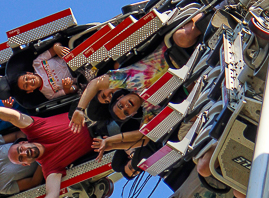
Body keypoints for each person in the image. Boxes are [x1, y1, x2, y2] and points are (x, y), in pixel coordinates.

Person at [69, 15, 205, 134]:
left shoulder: (127, 79)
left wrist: (80, 109)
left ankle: (213, 11)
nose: (126, 107)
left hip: (176, 48)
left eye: (121, 106)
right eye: (127, 112)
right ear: (133, 114)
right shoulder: (150, 106)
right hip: (194, 71)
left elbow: (95, 83)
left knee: (183, 38)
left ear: (120, 96)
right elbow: (143, 136)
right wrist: (111, 143)